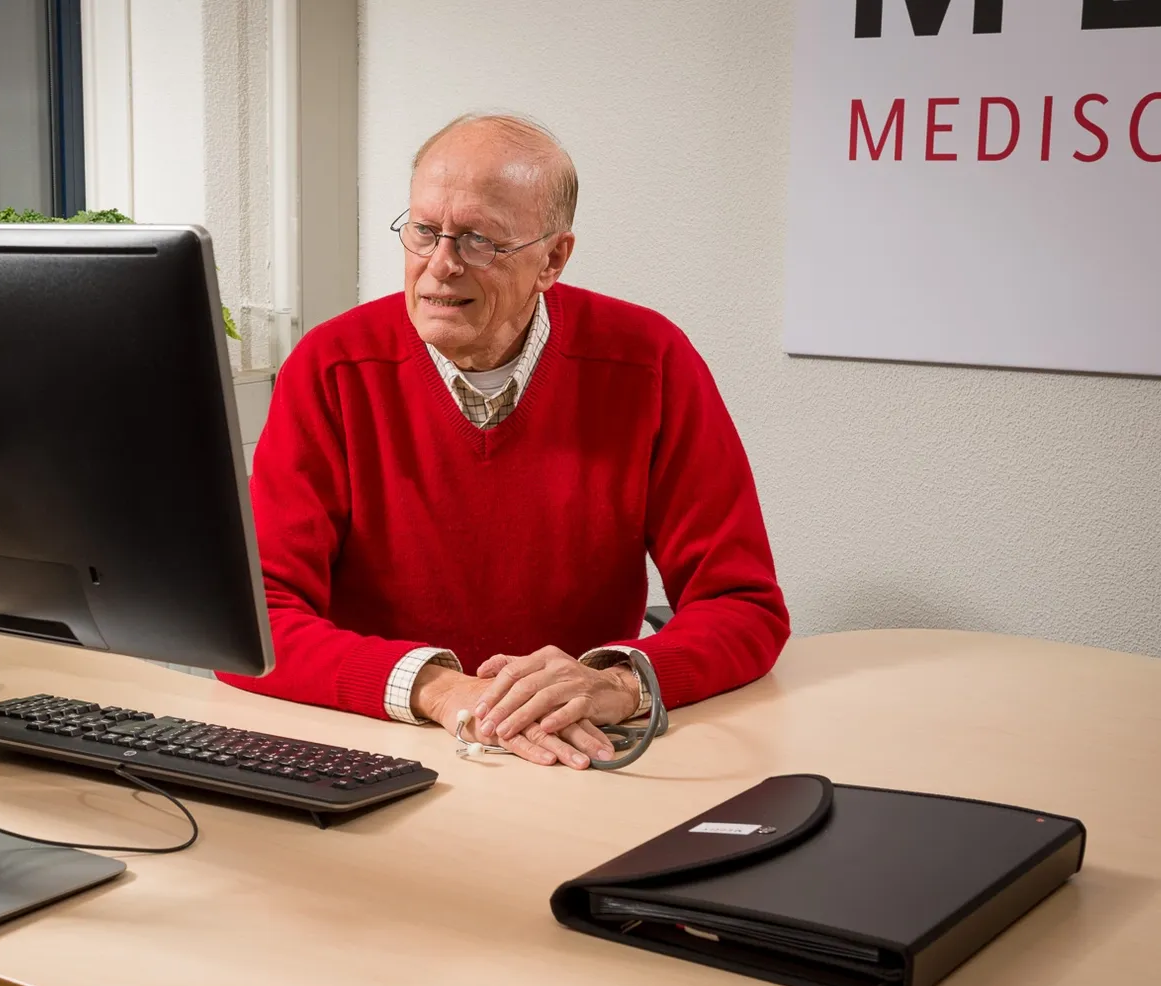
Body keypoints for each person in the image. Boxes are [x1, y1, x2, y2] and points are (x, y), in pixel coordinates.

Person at [215, 113, 789, 769]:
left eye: (479, 240)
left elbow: (743, 605)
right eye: (424, 231)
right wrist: (440, 689)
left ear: (553, 259)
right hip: (375, 748)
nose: (440, 265)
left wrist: (616, 683)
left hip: (576, 758)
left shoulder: (650, 361)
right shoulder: (331, 367)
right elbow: (252, 625)